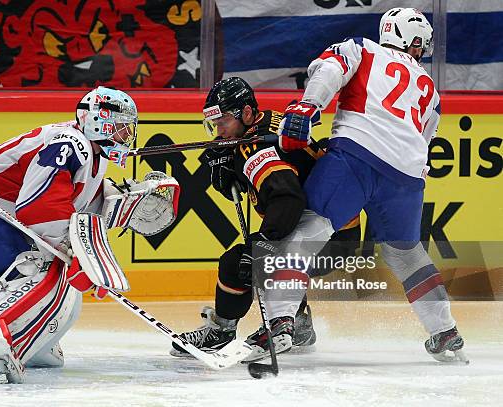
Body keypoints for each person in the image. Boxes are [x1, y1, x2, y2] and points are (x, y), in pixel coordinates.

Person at [277, 8, 466, 362]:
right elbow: (424, 141)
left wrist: (308, 106)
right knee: (406, 253)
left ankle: (281, 322)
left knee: (306, 229)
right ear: (415, 42)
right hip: (407, 177)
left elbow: (328, 69)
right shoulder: (430, 88)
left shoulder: (363, 47)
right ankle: (445, 331)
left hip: (356, 154)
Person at [0, 86, 139, 382]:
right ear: (99, 121)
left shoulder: (92, 152)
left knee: (63, 285)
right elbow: (38, 209)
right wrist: (77, 251)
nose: (125, 137)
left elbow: (72, 205)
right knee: (34, 274)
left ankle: (36, 342)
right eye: (120, 128)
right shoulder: (69, 143)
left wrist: (118, 202)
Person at [170, 77, 361, 362]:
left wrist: (263, 243)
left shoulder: (255, 148)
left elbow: (288, 199)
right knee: (268, 255)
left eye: (223, 122)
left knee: (240, 262)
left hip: (324, 235)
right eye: (214, 124)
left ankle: (222, 332)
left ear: (247, 114)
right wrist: (232, 170)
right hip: (340, 235)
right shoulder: (268, 122)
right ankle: (299, 324)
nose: (218, 132)